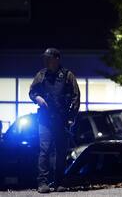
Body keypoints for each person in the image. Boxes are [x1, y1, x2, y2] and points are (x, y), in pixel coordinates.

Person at [29, 48, 80, 193]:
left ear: (57, 59)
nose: (46, 61)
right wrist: (38, 98)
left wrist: (71, 118)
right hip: (45, 119)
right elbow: (32, 92)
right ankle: (42, 183)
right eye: (45, 58)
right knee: (44, 150)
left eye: (49, 58)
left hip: (62, 119)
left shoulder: (67, 75)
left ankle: (59, 182)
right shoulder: (42, 74)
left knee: (61, 151)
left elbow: (76, 96)